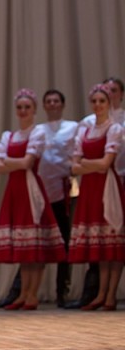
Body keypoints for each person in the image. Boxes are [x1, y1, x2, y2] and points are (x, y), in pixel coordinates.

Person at [0, 89, 78, 308]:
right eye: (19, 107)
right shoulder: (8, 135)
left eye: (27, 107)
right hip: (15, 189)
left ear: (34, 109)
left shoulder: (37, 133)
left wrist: (10, 161)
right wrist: (15, 162)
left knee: (35, 244)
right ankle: (23, 293)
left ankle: (32, 294)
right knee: (23, 243)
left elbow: (26, 163)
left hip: (32, 188)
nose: (23, 111)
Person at [65, 76, 124, 309]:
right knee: (100, 243)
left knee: (112, 241)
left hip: (107, 186)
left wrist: (87, 164)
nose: (98, 105)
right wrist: (91, 164)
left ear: (109, 102)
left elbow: (105, 163)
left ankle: (111, 294)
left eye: (102, 100)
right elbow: (73, 166)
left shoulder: (115, 128)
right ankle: (101, 293)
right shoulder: (86, 130)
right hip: (90, 187)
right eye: (95, 101)